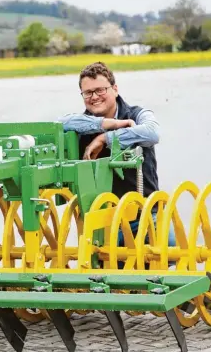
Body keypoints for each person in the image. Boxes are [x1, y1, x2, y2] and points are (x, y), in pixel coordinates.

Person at [58, 62, 176, 260]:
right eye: (87, 93)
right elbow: (59, 123)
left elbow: (153, 133)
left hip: (144, 215)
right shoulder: (80, 123)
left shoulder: (138, 115)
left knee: (171, 251)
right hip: (103, 223)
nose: (94, 97)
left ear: (115, 89)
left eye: (100, 90)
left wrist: (106, 138)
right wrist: (106, 124)